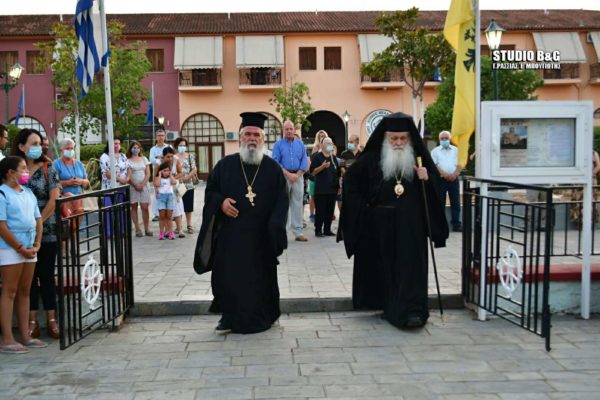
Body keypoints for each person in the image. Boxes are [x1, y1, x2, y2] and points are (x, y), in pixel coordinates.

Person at [338, 112, 448, 329]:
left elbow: (434, 190)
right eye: (394, 139)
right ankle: (388, 306)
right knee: (385, 267)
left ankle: (413, 311)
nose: (398, 143)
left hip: (412, 225)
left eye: (403, 138)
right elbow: (350, 181)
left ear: (409, 139)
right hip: (381, 226)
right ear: (385, 138)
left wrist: (427, 178)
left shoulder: (419, 159)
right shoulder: (372, 158)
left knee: (411, 268)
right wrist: (365, 209)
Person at [193, 112, 288, 335]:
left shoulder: (273, 169)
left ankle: (265, 316)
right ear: (240, 137)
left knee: (261, 280)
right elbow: (211, 192)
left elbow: (281, 201)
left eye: (256, 135)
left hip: (261, 237)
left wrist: (274, 228)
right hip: (231, 236)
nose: (252, 138)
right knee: (229, 279)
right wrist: (221, 203)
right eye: (247, 134)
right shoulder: (224, 166)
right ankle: (229, 318)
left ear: (263, 139)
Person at [11, 128, 62, 340]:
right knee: (28, 279)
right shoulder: (16, 169)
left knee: (47, 275)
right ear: (21, 147)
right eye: (33, 144)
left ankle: (51, 319)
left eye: (40, 143)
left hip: (47, 229)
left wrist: (38, 222)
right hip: (22, 232)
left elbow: (54, 199)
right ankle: (32, 321)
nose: (38, 147)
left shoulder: (48, 167)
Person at [0, 156, 46, 353]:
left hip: (30, 246)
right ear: (11, 173)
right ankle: (7, 338)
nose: (26, 172)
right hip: (10, 248)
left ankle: (25, 335)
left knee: (25, 290)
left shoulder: (27, 192)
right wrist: (19, 248)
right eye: (23, 169)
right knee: (10, 290)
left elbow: (38, 219)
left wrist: (36, 244)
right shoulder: (2, 194)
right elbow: (2, 226)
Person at [272, 120, 309, 242]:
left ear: (294, 130)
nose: (288, 131)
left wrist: (297, 175)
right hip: (284, 176)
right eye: (286, 129)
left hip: (298, 176)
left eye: (290, 129)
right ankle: (283, 231)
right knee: (284, 204)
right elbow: (275, 161)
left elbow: (304, 160)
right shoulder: (278, 145)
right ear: (283, 130)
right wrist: (288, 174)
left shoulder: (300, 144)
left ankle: (298, 232)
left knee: (298, 204)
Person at [430, 130, 462, 232]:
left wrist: (454, 174)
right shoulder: (435, 151)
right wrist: (445, 174)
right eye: (442, 139)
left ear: (450, 139)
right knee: (440, 203)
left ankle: (456, 225)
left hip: (454, 180)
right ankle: (441, 225)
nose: (444, 140)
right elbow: (435, 165)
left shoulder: (456, 150)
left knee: (455, 203)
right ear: (439, 140)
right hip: (441, 180)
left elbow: (461, 164)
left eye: (446, 138)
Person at [310, 137, 339, 237]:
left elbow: (337, 173)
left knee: (330, 211)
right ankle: (318, 230)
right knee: (320, 211)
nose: (330, 145)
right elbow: (312, 172)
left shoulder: (333, 157)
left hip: (332, 189)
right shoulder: (317, 157)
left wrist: (338, 187)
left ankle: (327, 230)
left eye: (331, 143)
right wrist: (322, 167)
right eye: (327, 143)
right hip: (321, 189)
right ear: (322, 145)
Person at [126, 141, 152, 237]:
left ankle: (147, 228)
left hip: (144, 185)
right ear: (130, 149)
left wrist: (142, 184)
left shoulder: (144, 159)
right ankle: (137, 228)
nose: (136, 149)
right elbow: (127, 175)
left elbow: (148, 173)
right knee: (134, 207)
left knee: (145, 207)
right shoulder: (127, 161)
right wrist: (135, 185)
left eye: (137, 147)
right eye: (134, 148)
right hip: (133, 186)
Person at [174, 137, 198, 234]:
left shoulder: (190, 156)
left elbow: (194, 169)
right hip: (177, 185)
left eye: (184, 145)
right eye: (180, 145)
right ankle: (178, 226)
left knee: (188, 206)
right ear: (177, 146)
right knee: (178, 206)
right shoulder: (174, 157)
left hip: (188, 184)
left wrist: (187, 178)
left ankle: (189, 225)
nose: (182, 147)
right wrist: (177, 179)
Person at [162, 147, 185, 238]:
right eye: (168, 157)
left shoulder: (176, 161)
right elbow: (156, 175)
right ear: (164, 156)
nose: (170, 158)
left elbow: (180, 173)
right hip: (164, 188)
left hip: (174, 187)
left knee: (177, 208)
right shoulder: (159, 163)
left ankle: (180, 229)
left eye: (171, 156)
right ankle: (167, 230)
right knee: (166, 209)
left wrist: (172, 179)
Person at [149, 129, 171, 221]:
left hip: (168, 174)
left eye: (162, 135)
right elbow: (152, 160)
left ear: (165, 137)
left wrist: (159, 157)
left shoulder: (169, 147)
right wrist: (162, 158)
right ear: (156, 137)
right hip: (157, 174)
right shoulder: (153, 149)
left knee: (169, 193)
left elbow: (170, 158)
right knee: (157, 194)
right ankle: (157, 214)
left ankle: (170, 213)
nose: (161, 137)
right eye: (159, 135)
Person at [308, 130, 329, 223]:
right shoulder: (315, 148)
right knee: (313, 196)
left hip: (325, 176)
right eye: (320, 136)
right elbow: (313, 161)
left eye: (323, 136)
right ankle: (312, 214)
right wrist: (320, 149)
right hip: (314, 176)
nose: (322, 137)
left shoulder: (329, 147)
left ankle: (324, 213)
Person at [154, 162, 177, 240]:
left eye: (168, 170)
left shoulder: (170, 178)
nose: (166, 172)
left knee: (169, 216)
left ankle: (171, 232)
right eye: (164, 170)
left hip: (170, 197)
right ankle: (161, 233)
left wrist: (171, 175)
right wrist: (160, 175)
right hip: (161, 198)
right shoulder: (158, 177)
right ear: (161, 171)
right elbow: (157, 184)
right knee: (162, 216)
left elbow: (174, 182)